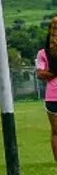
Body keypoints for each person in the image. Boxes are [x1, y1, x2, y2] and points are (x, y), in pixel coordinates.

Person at [36, 28, 57, 162]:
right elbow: (40, 74)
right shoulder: (43, 53)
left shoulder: (43, 53)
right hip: (53, 96)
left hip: (52, 96)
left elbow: (42, 73)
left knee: (55, 132)